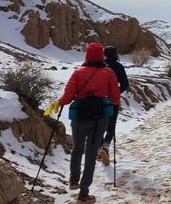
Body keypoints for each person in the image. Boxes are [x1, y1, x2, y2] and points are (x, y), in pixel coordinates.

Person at [48, 43, 120, 203]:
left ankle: (74, 179)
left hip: (79, 116)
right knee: (92, 151)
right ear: (102, 56)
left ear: (87, 56)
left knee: (77, 147)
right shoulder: (109, 73)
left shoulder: (78, 73)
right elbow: (115, 98)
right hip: (99, 119)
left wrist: (57, 103)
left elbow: (66, 97)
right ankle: (84, 193)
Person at [98, 45, 128, 166]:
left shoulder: (99, 65)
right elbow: (125, 84)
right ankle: (106, 146)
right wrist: (116, 92)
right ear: (115, 54)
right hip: (113, 101)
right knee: (110, 126)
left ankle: (100, 149)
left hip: (98, 100)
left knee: (99, 125)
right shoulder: (118, 66)